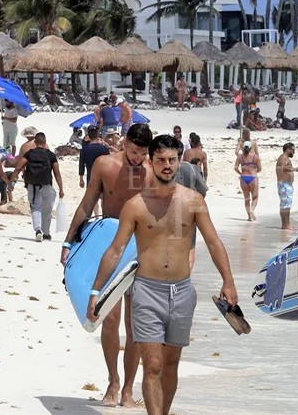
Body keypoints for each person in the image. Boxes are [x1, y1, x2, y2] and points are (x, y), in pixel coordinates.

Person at [87, 135, 239, 415]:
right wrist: (96, 290)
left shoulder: (193, 201)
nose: (167, 165)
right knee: (153, 365)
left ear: (179, 161)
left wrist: (228, 281)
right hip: (146, 291)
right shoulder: (136, 205)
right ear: (151, 162)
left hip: (182, 292)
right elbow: (116, 249)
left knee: (170, 364)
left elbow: (214, 242)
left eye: (172, 160)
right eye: (160, 160)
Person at [60, 123, 153, 408]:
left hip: (140, 249)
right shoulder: (104, 165)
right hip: (109, 247)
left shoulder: (151, 172)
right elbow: (87, 204)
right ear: (125, 143)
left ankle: (128, 389)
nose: (138, 158)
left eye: (143, 153)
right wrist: (68, 242)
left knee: (135, 324)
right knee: (109, 319)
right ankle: (113, 379)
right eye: (134, 151)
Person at [8, 132, 64, 242]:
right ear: (45, 142)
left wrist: (11, 183)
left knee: (35, 208)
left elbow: (18, 168)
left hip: (33, 185)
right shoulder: (51, 155)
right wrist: (61, 188)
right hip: (47, 185)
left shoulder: (29, 153)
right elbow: (57, 173)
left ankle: (38, 230)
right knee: (47, 209)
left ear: (36, 142)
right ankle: (46, 233)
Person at [276, 143, 298, 230]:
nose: (294, 152)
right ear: (288, 149)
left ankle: (285, 225)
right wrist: (295, 169)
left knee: (284, 205)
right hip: (284, 184)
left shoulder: (284, 158)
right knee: (286, 205)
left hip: (285, 184)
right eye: (292, 150)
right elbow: (283, 168)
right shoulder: (284, 158)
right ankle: (287, 225)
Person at [234, 140, 261, 221]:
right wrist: (254, 172)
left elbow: (236, 168)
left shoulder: (240, 157)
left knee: (246, 199)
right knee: (255, 198)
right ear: (251, 148)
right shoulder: (255, 157)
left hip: (243, 178)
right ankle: (252, 210)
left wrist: (240, 173)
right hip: (253, 177)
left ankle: (249, 217)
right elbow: (260, 169)